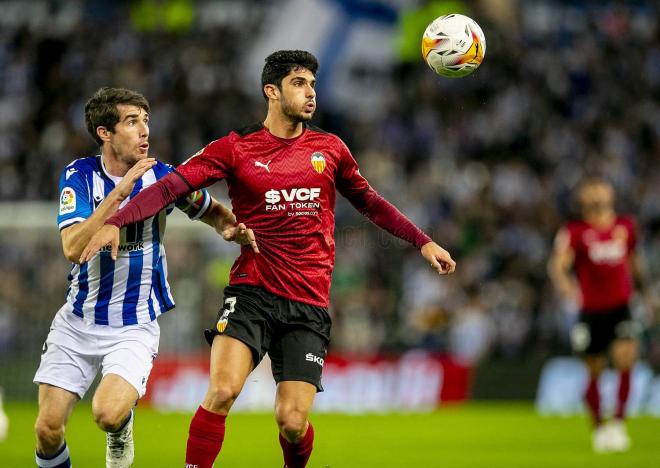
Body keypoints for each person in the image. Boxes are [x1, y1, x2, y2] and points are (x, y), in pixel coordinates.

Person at [80, 51, 456, 468]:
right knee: (222, 391)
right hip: (251, 292)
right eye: (299, 83)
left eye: (312, 83)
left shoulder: (329, 150)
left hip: (308, 303)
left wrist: (422, 241)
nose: (310, 92)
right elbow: (169, 188)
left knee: (292, 421)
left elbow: (369, 202)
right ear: (271, 92)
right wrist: (117, 221)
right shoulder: (236, 148)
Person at [33, 87, 253, 468]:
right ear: (105, 132)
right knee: (47, 430)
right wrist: (118, 196)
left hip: (133, 325)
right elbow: (72, 247)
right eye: (132, 122)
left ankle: (121, 428)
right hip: (78, 321)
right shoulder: (79, 176)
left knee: (107, 413)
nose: (144, 130)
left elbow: (207, 207)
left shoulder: (162, 177)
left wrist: (229, 227)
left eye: (146, 121)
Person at [549, 176, 648, 453]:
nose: (596, 192)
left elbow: (634, 261)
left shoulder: (625, 226)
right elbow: (558, 265)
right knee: (594, 369)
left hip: (622, 306)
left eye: (600, 187)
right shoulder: (575, 231)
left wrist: (646, 292)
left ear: (611, 192)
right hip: (591, 310)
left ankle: (618, 424)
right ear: (581, 198)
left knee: (626, 358)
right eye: (590, 188)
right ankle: (599, 427)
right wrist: (567, 287)